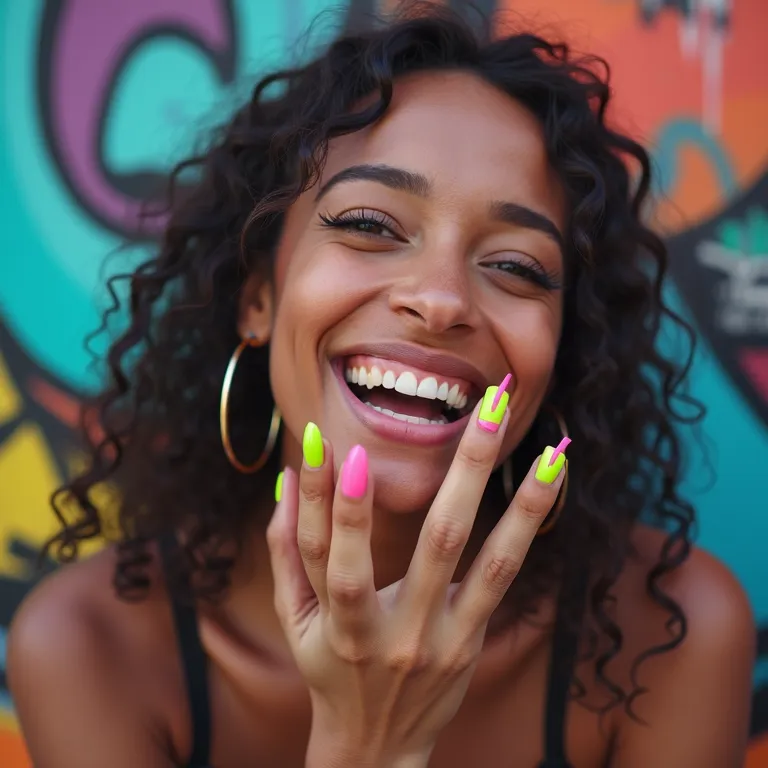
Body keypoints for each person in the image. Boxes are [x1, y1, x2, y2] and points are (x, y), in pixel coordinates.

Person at [7, 7, 755, 768]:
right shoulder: (90, 648)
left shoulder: (670, 633)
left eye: (517, 267)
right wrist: (368, 745)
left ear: (564, 351)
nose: (439, 300)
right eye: (370, 224)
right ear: (258, 295)